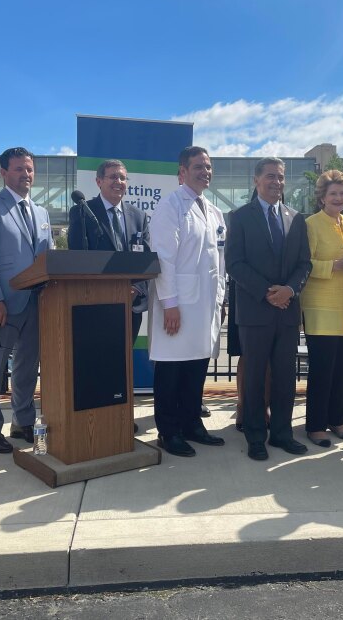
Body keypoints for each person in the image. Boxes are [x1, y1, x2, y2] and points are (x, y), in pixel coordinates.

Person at [226, 157, 312, 461]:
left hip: (287, 311)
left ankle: (282, 433)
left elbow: (305, 263)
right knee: (255, 377)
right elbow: (234, 263)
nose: (277, 182)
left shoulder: (296, 218)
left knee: (286, 376)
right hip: (255, 311)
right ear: (256, 180)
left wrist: (289, 289)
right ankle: (255, 435)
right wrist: (267, 293)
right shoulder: (239, 217)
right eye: (270, 177)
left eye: (281, 177)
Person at [0, 147, 53, 454]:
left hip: (35, 302)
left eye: (29, 169)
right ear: (4, 172)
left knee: (27, 367)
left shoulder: (42, 213)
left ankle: (23, 422)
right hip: (2, 304)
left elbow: (44, 258)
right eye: (19, 169)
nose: (26, 174)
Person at [147, 146, 226, 457]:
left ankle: (192, 423)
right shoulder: (170, 206)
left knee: (196, 368)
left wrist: (219, 298)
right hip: (178, 304)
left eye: (208, 167)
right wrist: (169, 303)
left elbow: (220, 260)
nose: (204, 171)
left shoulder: (215, 211)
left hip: (206, 305)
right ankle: (169, 431)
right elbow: (164, 258)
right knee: (171, 371)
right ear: (182, 172)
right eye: (198, 167)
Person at [301, 171, 343, 447]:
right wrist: (334, 266)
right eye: (333, 193)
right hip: (321, 308)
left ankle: (337, 420)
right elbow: (304, 263)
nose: (338, 198)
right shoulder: (311, 224)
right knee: (322, 371)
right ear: (322, 197)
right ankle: (315, 425)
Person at [68, 159, 150, 343]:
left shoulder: (139, 216)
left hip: (131, 304)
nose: (118, 182)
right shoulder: (82, 212)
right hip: (96, 304)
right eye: (113, 177)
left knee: (124, 364)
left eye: (122, 178)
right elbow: (76, 258)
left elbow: (146, 259)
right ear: (99, 181)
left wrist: (136, 288)